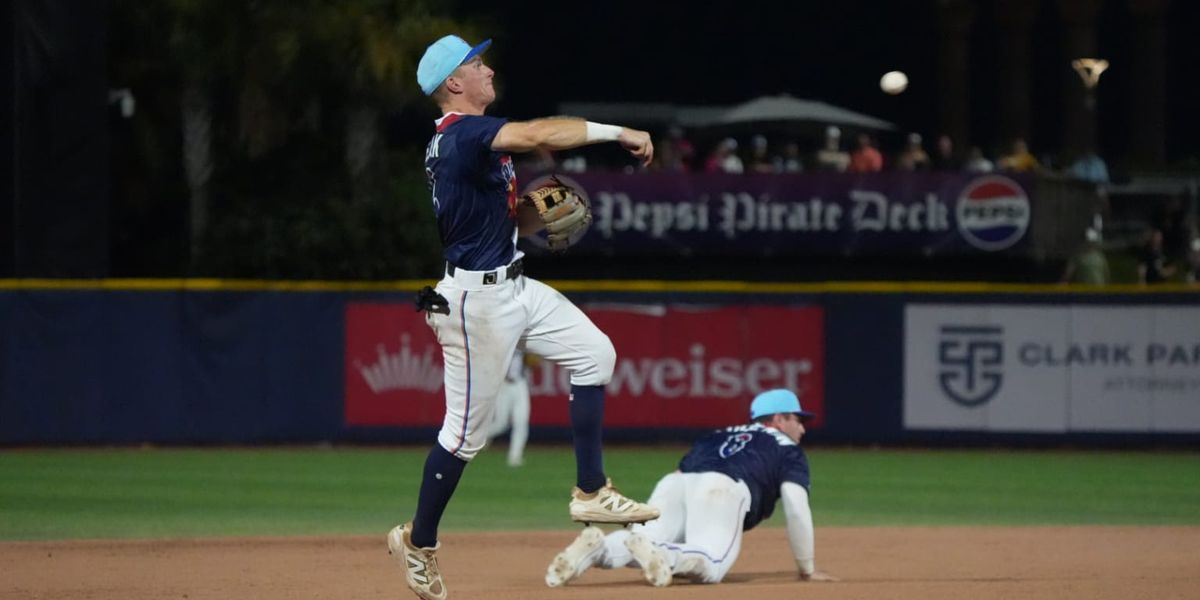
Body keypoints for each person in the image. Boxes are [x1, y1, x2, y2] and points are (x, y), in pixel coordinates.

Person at [390, 34, 660, 600]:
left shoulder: (470, 143)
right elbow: (540, 134)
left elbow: (504, 221)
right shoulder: (464, 133)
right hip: (475, 305)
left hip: (514, 285)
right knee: (464, 438)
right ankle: (419, 542)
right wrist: (621, 133)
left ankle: (591, 491)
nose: (487, 69)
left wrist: (537, 220)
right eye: (475, 63)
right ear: (454, 85)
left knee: (596, 354)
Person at [544, 388, 838, 588]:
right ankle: (665, 556)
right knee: (712, 563)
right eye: (798, 420)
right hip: (723, 489)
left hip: (676, 482)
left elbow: (679, 472)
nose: (802, 428)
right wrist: (807, 568)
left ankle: (596, 549)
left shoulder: (718, 434)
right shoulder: (788, 448)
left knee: (644, 536)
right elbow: (796, 507)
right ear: (779, 419)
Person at [488, 346, 532, 467]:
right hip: (503, 384)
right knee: (500, 424)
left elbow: (532, 361)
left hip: (520, 383)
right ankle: (476, 439)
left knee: (521, 422)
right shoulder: (501, 340)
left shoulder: (523, 339)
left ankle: (515, 457)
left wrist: (530, 357)